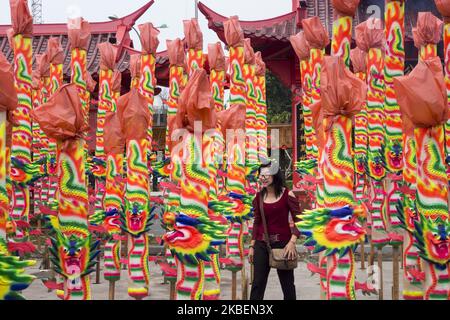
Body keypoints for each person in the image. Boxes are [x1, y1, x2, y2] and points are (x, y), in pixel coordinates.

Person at [249, 162, 302, 300]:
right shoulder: (258, 197)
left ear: (275, 175)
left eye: (267, 174)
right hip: (262, 244)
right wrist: (252, 246)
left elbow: (300, 221)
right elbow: (257, 222)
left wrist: (292, 242)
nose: (263, 177)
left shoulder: (287, 194)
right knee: (257, 284)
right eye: (261, 175)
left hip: (284, 245)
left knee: (288, 286)